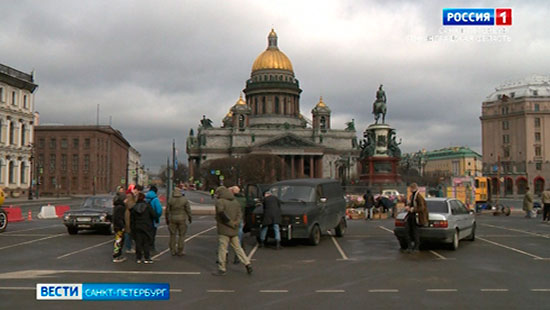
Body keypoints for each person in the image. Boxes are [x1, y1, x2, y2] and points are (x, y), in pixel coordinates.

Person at [212, 186, 252, 276]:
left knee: (222, 248)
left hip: (224, 228)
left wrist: (230, 223)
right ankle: (247, 263)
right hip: (234, 229)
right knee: (238, 248)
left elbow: (221, 214)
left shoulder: (220, 202)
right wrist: (235, 223)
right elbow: (239, 214)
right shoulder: (235, 201)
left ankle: (222, 268)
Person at [166, 184, 192, 256]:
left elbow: (167, 211)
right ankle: (180, 250)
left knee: (172, 235)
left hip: (172, 218)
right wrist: (190, 218)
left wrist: (167, 219)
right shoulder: (184, 199)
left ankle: (172, 250)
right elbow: (188, 210)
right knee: (181, 235)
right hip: (182, 219)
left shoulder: (170, 199)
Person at [131, 192, 156, 264]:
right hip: (146, 226)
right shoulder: (147, 206)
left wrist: (132, 227)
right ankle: (147, 257)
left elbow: (132, 219)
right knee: (146, 242)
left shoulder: (134, 207)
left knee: (138, 242)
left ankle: (138, 257)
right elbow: (154, 215)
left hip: (137, 226)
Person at [403, 183, 428, 253]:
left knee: (415, 232)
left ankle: (416, 247)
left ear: (413, 188)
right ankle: (410, 247)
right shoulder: (412, 196)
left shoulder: (418, 197)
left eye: (410, 188)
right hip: (411, 216)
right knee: (407, 231)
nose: (410, 190)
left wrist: (412, 209)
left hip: (416, 216)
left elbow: (422, 207)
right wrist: (408, 207)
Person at [229, 186, 246, 264]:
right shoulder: (243, 199)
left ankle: (224, 256)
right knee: (239, 235)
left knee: (225, 237)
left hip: (232, 219)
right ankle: (239, 253)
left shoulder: (232, 200)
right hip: (241, 218)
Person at [145, 185, 163, 252]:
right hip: (153, 220)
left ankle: (144, 247)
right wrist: (157, 216)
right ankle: (151, 247)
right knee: (152, 234)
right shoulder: (155, 199)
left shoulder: (145, 198)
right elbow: (159, 211)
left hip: (144, 219)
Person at [112, 186, 127, 263]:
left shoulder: (117, 206)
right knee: (118, 240)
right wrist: (122, 226)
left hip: (117, 226)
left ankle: (117, 254)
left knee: (119, 240)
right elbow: (119, 218)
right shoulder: (120, 207)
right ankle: (116, 255)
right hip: (119, 227)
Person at [123, 184, 139, 254]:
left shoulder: (130, 195)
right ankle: (128, 247)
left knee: (130, 231)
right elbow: (130, 205)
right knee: (128, 231)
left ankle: (129, 246)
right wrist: (136, 200)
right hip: (128, 215)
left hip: (130, 215)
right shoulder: (129, 195)